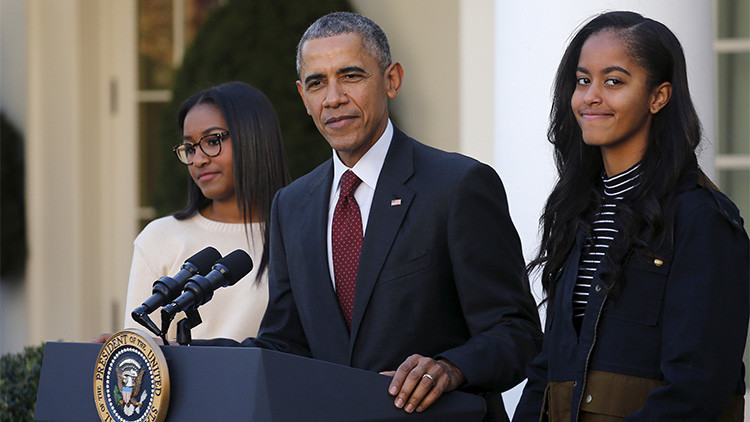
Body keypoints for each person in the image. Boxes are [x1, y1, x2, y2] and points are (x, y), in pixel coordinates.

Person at [193, 12, 541, 420]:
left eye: (351, 75)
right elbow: (284, 345)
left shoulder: (459, 185)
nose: (333, 97)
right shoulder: (291, 204)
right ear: (303, 98)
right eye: (316, 82)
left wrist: (451, 368)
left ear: (391, 79)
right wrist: (177, 356)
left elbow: (516, 333)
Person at [513, 11, 749, 421]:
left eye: (614, 81)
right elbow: (547, 370)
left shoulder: (702, 219)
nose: (590, 96)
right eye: (583, 80)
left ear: (658, 96)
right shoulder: (577, 212)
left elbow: (698, 388)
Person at [122, 81, 289, 341]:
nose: (198, 159)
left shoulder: (297, 236)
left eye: (212, 141)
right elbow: (140, 352)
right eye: (190, 148)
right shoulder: (160, 238)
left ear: (254, 138)